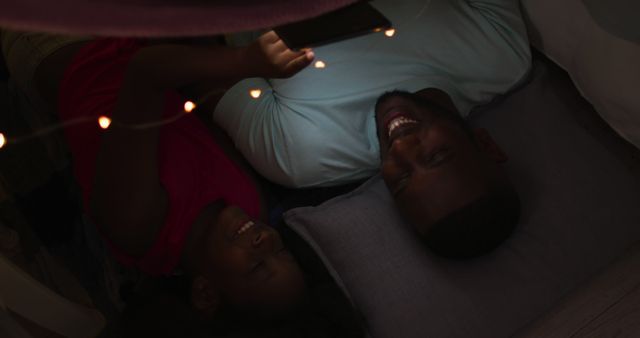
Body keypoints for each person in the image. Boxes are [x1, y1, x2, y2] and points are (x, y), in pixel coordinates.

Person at [1, 29, 363, 333]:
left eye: (257, 265)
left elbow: (146, 73)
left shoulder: (138, 224)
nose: (265, 239)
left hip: (64, 40)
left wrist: (246, 60)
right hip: (142, 33)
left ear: (205, 293)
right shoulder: (250, 201)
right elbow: (197, 101)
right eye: (280, 250)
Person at [213, 0, 530, 257]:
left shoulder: (305, 152)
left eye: (401, 179)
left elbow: (210, 76)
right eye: (436, 156)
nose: (402, 147)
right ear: (485, 144)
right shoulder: (499, 52)